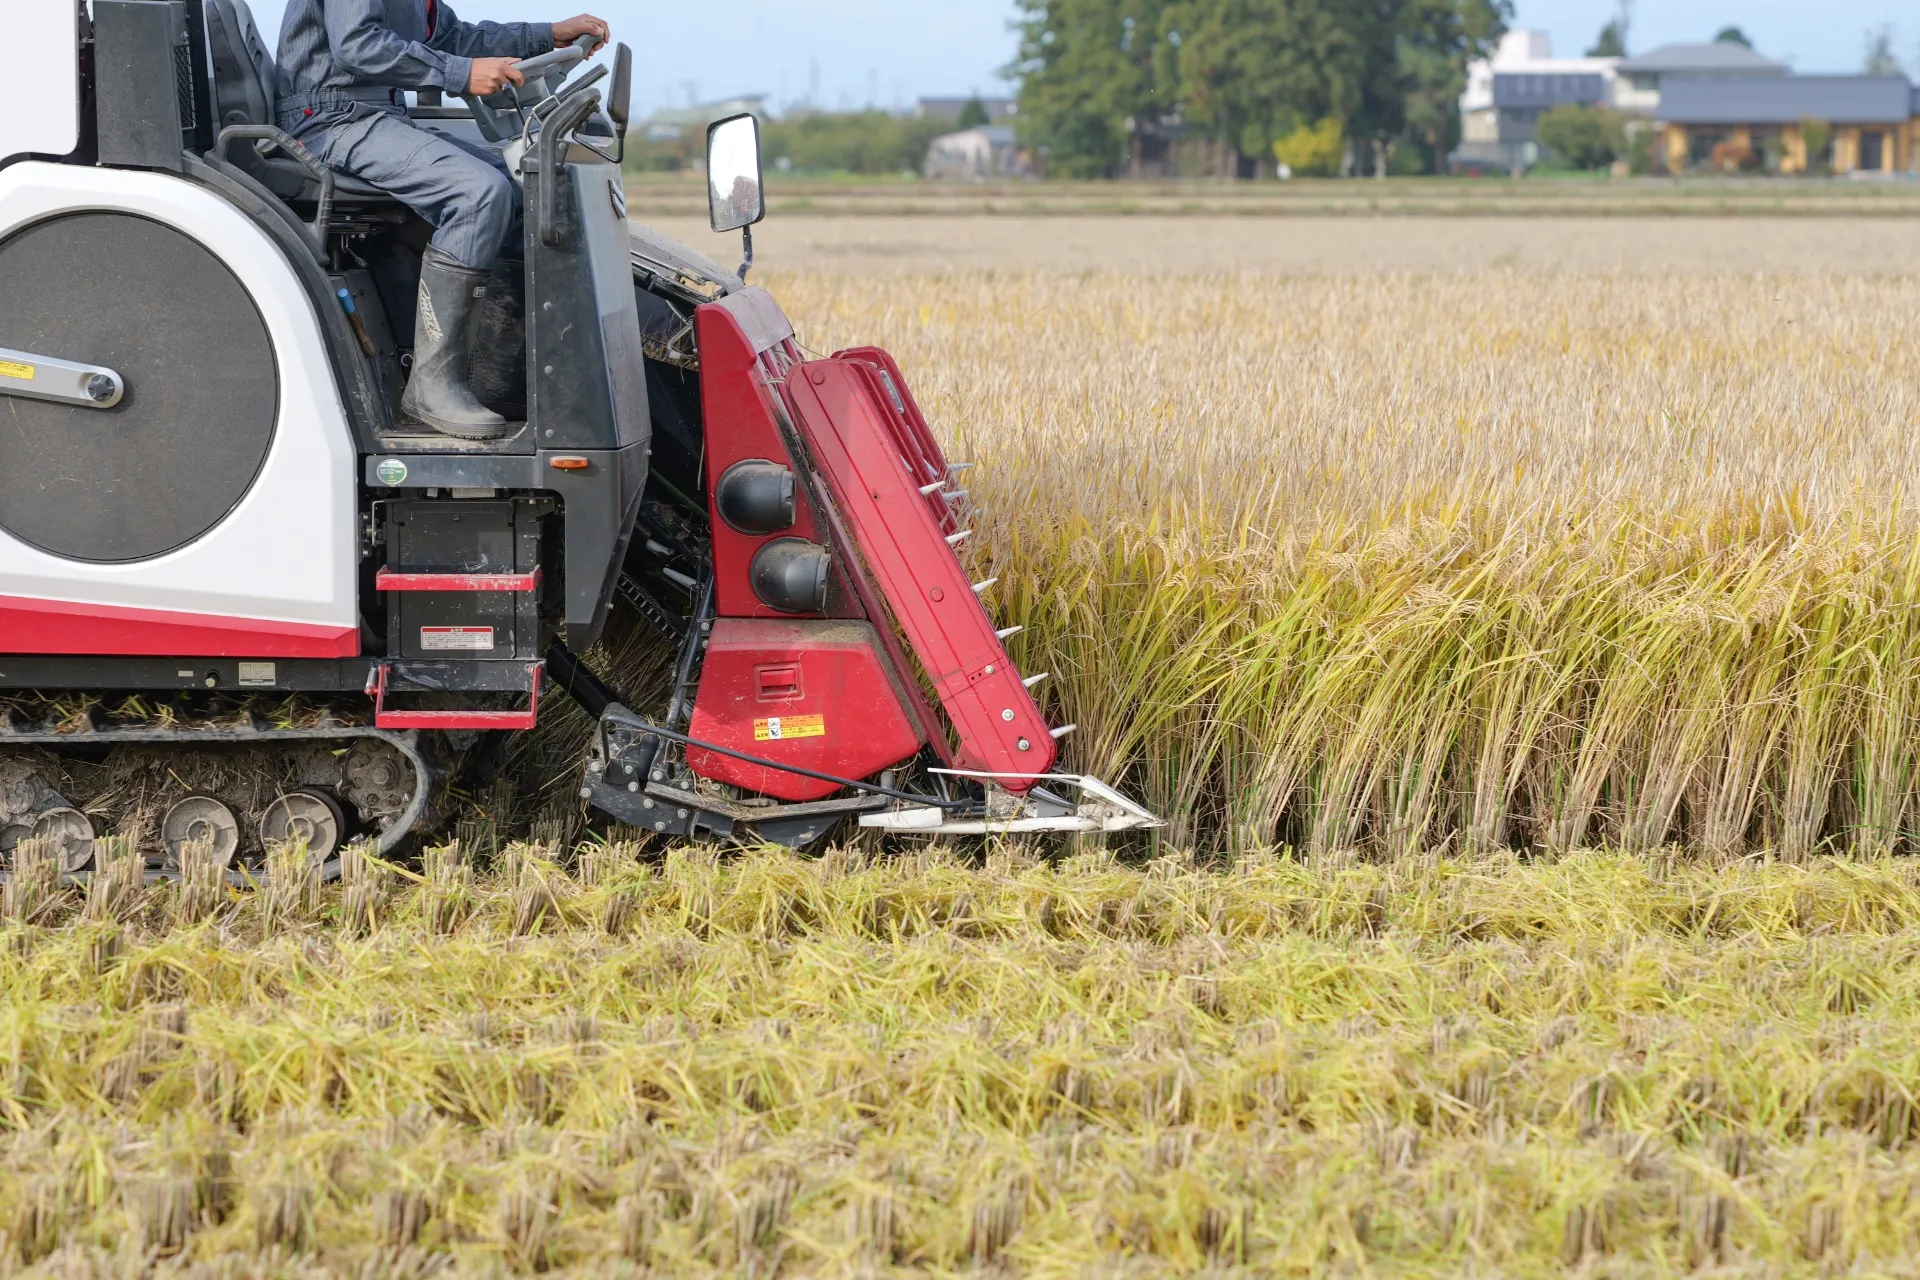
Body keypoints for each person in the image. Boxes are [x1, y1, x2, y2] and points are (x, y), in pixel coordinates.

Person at [276, 0, 610, 439]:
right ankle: (432, 385)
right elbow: (357, 45)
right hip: (329, 120)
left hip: (378, 115)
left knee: (519, 192)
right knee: (477, 195)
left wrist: (547, 35)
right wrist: (462, 73)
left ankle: (493, 382)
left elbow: (451, 37)